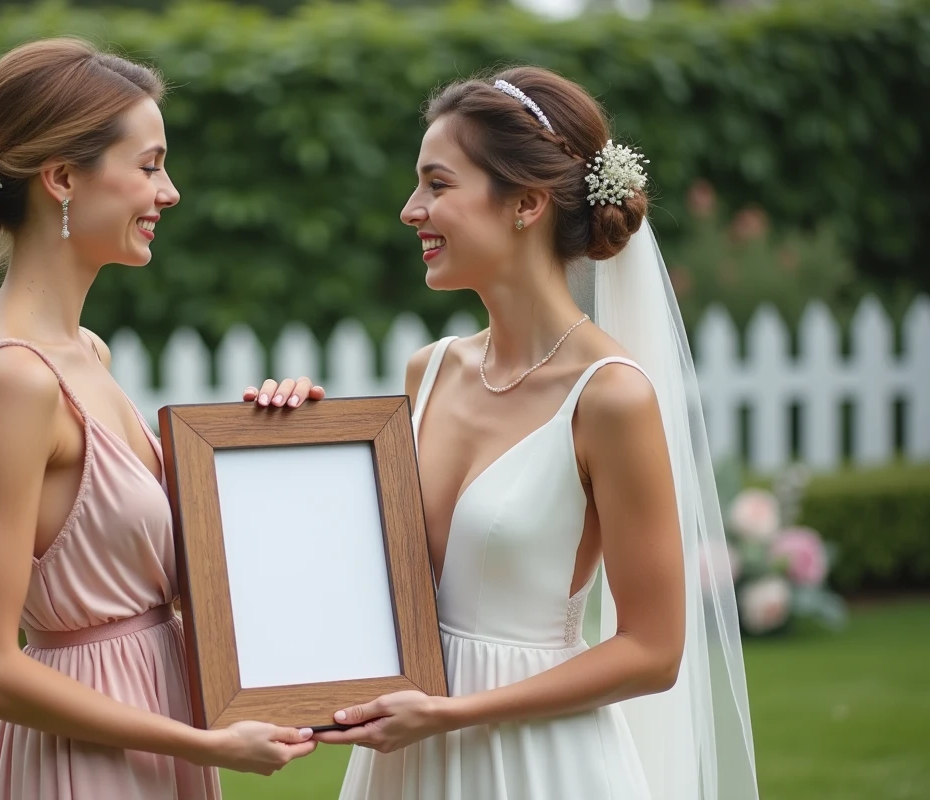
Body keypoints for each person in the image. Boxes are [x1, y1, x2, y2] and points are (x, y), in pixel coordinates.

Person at [251, 66, 757, 800]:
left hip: (538, 761)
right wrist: (295, 442)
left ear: (524, 203)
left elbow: (653, 652)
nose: (409, 210)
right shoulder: (430, 373)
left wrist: (455, 713)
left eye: (437, 184)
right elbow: (371, 577)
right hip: (408, 756)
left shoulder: (609, 395)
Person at [0, 38, 322, 800]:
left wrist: (288, 445)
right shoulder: (16, 378)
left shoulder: (86, 352)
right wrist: (198, 742)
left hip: (150, 732)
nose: (168, 192)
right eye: (148, 166)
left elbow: (173, 576)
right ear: (64, 178)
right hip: (89, 764)